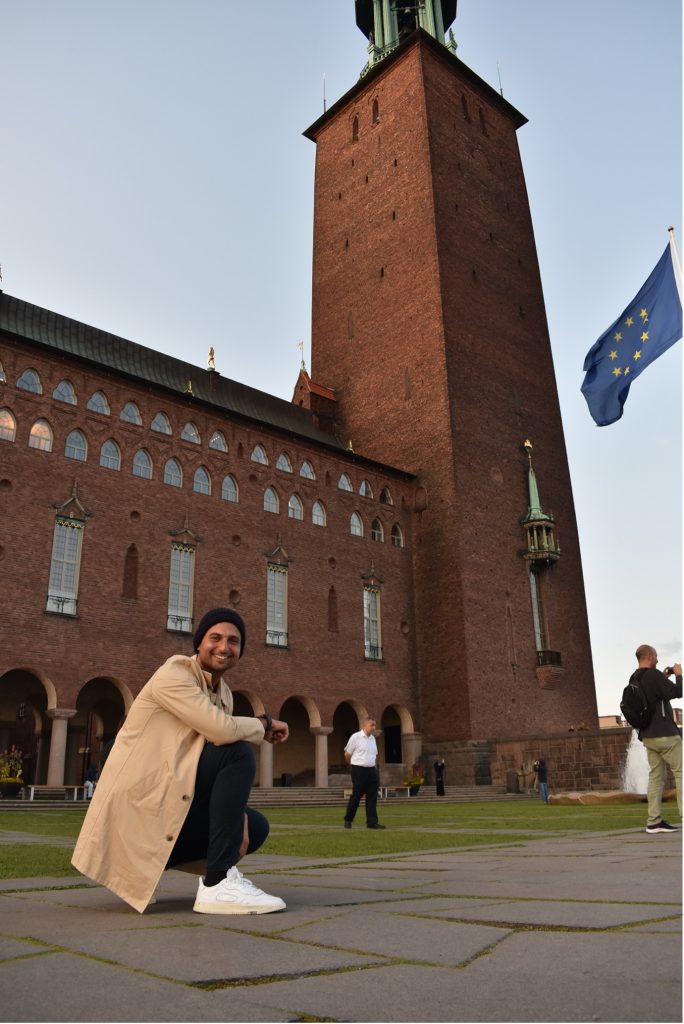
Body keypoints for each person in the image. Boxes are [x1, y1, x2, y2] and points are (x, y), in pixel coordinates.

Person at [72, 607, 289, 914]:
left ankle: (157, 872)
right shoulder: (175, 672)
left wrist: (236, 815)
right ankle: (217, 884)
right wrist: (264, 725)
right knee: (237, 752)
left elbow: (210, 748)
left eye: (233, 641)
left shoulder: (223, 693)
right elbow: (221, 731)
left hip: (170, 793)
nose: (224, 647)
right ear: (199, 643)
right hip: (139, 801)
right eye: (215, 637)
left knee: (255, 825)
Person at [630, 645, 682, 834]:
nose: (658, 659)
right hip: (666, 734)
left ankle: (654, 821)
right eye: (657, 656)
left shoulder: (635, 677)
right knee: (681, 773)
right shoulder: (653, 675)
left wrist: (663, 677)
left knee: (656, 777)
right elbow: (678, 691)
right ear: (650, 656)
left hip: (648, 736)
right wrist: (678, 674)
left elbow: (655, 695)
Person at [343, 717, 385, 829]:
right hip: (359, 770)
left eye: (374, 725)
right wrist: (352, 765)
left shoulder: (372, 739)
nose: (374, 728)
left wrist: (373, 768)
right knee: (357, 795)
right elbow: (347, 754)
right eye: (372, 725)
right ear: (365, 725)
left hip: (371, 770)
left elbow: (374, 755)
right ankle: (348, 819)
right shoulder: (355, 737)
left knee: (372, 796)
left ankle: (372, 822)